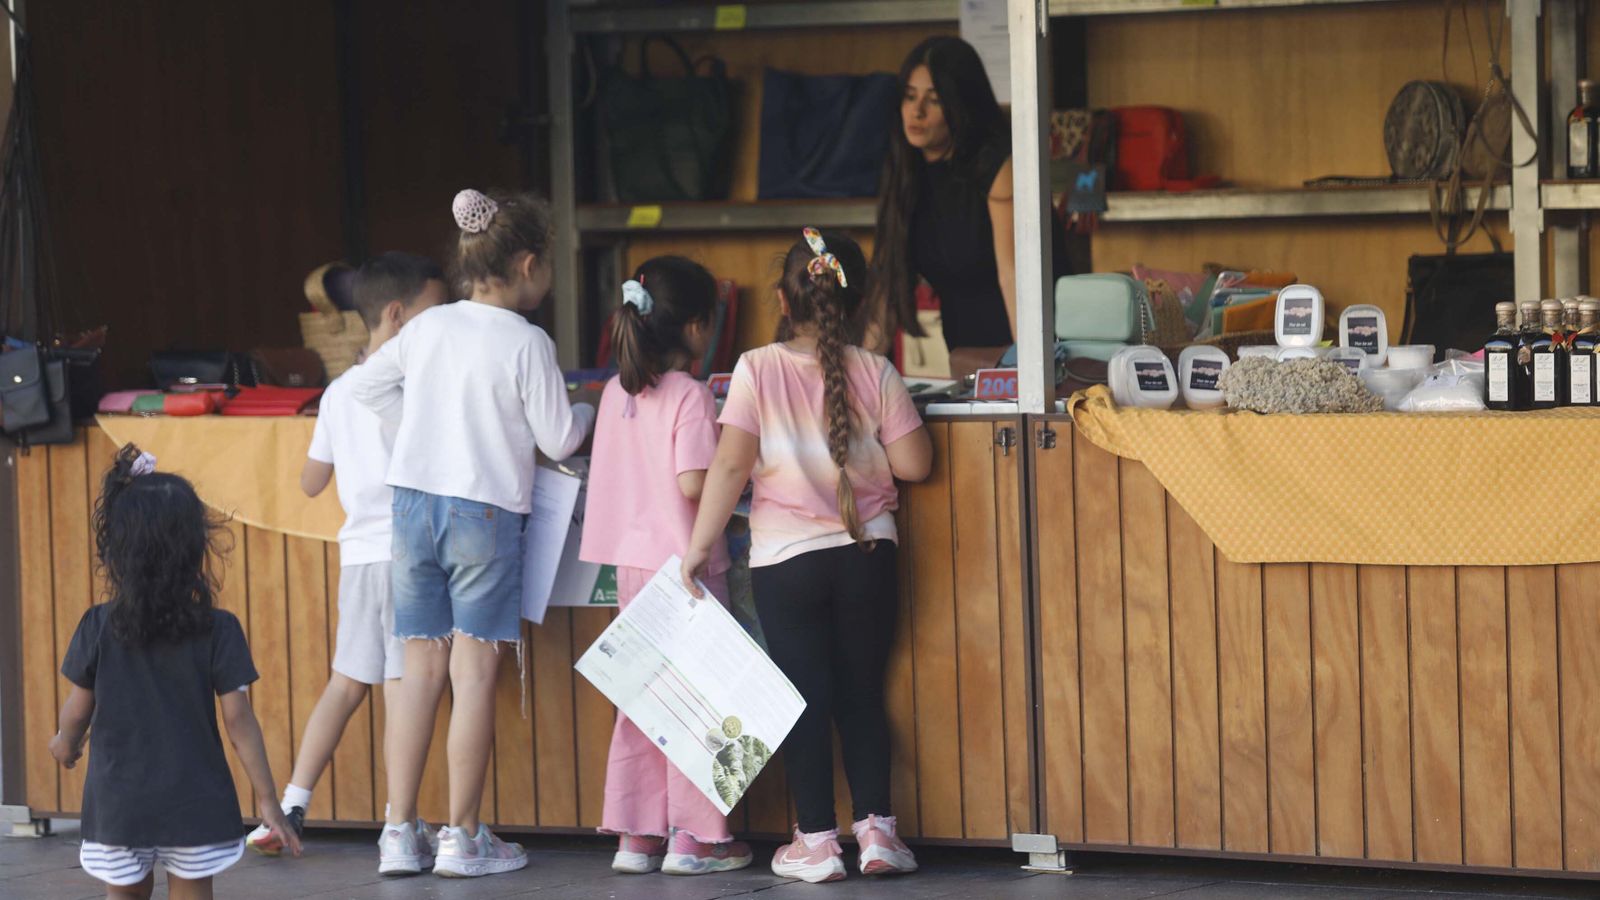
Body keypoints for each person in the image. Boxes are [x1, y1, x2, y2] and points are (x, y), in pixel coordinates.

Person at [347, 189, 595, 879]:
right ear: (527, 265)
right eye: (549, 265)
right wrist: (587, 407)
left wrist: (421, 434)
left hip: (412, 506)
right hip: (483, 515)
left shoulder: (428, 326)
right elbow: (559, 438)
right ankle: (463, 838)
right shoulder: (528, 341)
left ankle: (399, 832)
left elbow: (367, 387)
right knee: (474, 673)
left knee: (419, 670)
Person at [682, 229, 933, 884]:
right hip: (868, 555)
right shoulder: (876, 369)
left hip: (786, 563)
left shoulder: (756, 368)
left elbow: (730, 465)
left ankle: (817, 843)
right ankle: (878, 834)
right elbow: (915, 463)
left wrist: (699, 546)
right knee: (862, 694)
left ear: (781, 299)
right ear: (857, 300)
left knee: (804, 699)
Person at [244, 253, 446, 859]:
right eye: (435, 311)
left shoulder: (337, 392)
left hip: (357, 558)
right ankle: (397, 824)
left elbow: (311, 482)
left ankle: (291, 804)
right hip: (410, 554)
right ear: (397, 314)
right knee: (400, 687)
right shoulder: (416, 388)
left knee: (345, 683)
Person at [51, 445, 302, 900]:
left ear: (116, 551)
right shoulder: (219, 628)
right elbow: (238, 721)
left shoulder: (98, 625)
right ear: (194, 549)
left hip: (119, 806)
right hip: (195, 804)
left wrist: (65, 743)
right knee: (192, 889)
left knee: (125, 893)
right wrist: (268, 800)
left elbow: (77, 709)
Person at [578, 257, 754, 877]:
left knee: (644, 697)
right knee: (699, 702)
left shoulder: (615, 394)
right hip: (688, 572)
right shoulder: (691, 394)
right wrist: (744, 470)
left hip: (632, 569)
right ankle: (695, 839)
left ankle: (636, 836)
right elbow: (692, 481)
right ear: (700, 327)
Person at [869, 35, 1071, 380]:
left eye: (934, 99)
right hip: (967, 361)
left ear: (960, 104)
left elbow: (1014, 278)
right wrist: (852, 380)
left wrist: (1037, 377)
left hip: (1027, 351)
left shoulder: (996, 164)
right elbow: (887, 285)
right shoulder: (905, 173)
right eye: (910, 96)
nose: (917, 111)